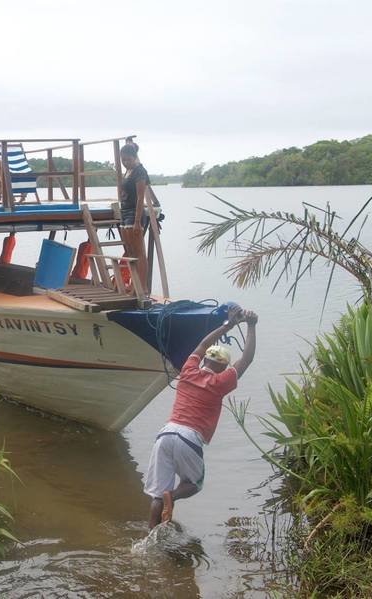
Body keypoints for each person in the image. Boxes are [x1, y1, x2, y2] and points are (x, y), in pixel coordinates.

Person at [143, 305, 258, 528]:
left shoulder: (189, 369)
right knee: (193, 484)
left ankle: (151, 536)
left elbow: (203, 344)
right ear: (224, 366)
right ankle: (173, 497)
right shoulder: (221, 382)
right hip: (189, 438)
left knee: (157, 494)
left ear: (205, 361)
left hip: (166, 433)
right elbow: (247, 359)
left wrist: (228, 324)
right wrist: (251, 326)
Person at [117, 140, 151, 290]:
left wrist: (137, 221)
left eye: (128, 160)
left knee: (139, 253)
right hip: (124, 212)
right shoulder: (128, 171)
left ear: (135, 157)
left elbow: (140, 198)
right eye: (123, 160)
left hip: (134, 214)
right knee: (129, 252)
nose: (125, 162)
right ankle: (133, 284)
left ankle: (142, 287)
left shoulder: (140, 171)